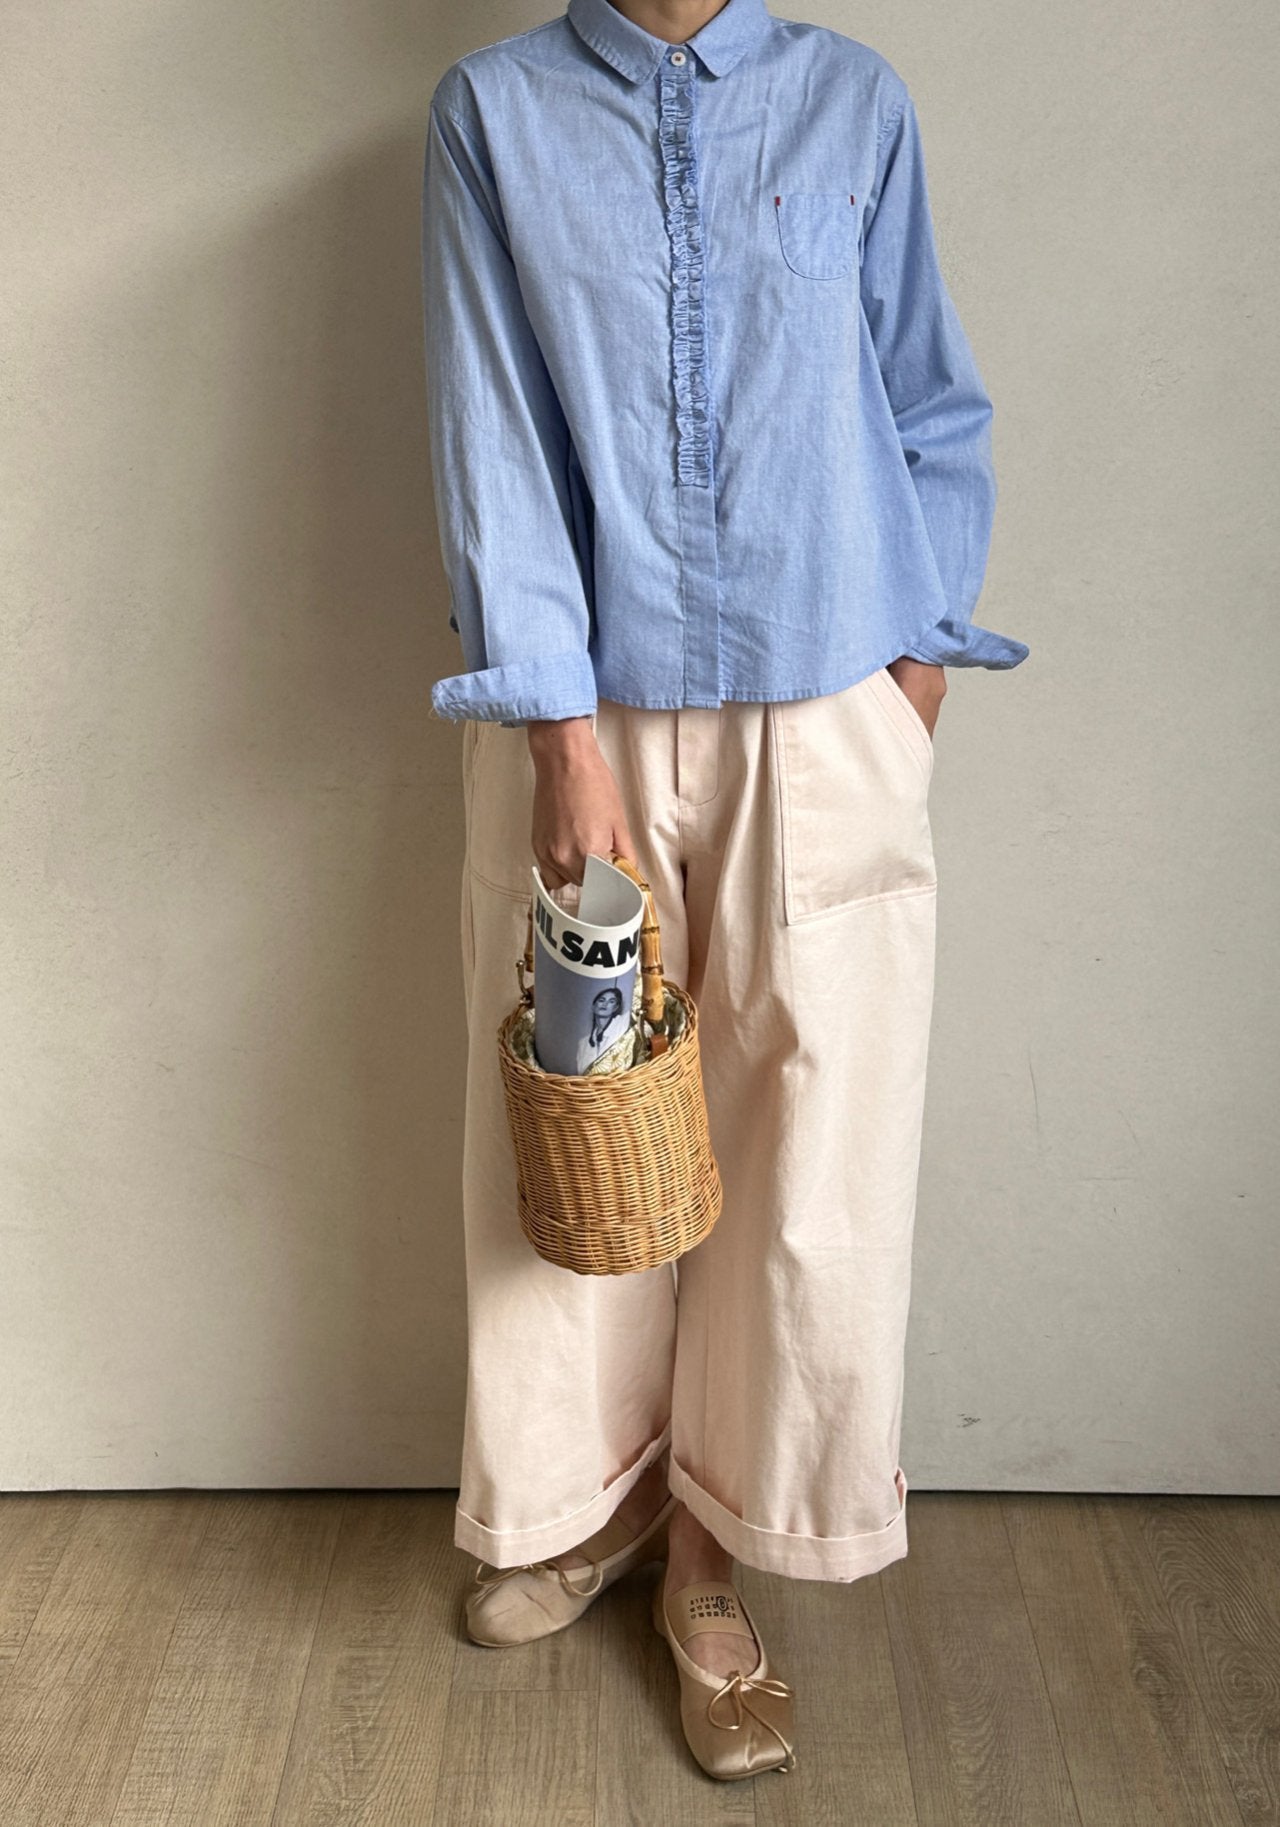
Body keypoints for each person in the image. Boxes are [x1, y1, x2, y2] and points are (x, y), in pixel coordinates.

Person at [420, 0, 1028, 1782]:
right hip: (584, 721)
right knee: (576, 1137)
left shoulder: (854, 103)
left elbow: (927, 393)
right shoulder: (494, 113)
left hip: (827, 704)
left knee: (805, 1153)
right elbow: (493, 424)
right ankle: (591, 1498)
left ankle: (710, 1557)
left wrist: (912, 679)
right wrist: (560, 734)